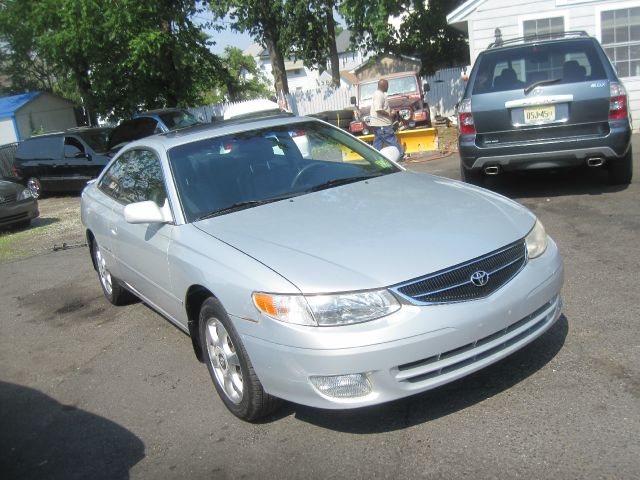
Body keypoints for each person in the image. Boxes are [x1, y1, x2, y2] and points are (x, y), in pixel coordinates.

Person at [369, 78, 404, 158]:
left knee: (378, 143)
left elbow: (382, 107)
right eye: (387, 85)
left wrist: (391, 110)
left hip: (379, 124)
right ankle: (402, 155)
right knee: (391, 139)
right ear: (383, 85)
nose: (388, 87)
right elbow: (378, 109)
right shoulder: (379, 95)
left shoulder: (379, 94)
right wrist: (390, 114)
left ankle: (374, 158)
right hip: (382, 124)